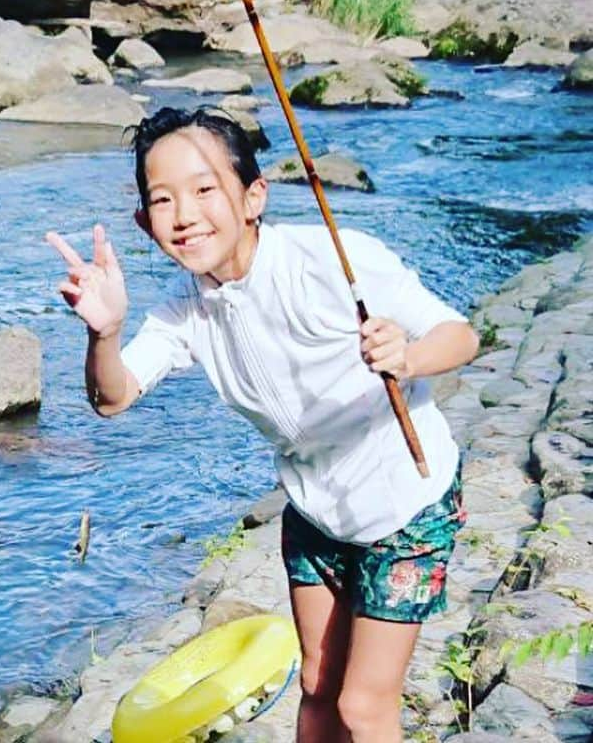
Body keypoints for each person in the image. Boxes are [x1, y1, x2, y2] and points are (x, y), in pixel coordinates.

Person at [46, 106, 479, 743]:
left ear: (254, 197)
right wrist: (105, 330)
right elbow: (113, 398)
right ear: (145, 222)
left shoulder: (332, 258)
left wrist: (407, 355)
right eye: (162, 200)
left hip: (405, 506)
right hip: (315, 509)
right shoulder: (182, 313)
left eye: (203, 190)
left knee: (363, 707)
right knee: (317, 687)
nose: (185, 215)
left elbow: (459, 335)